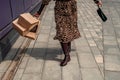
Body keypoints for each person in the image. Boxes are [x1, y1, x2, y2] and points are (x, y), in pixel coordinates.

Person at [34, 0, 102, 66]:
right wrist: (39, 12)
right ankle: (67, 55)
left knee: (70, 29)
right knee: (62, 32)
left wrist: (96, 1)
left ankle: (68, 47)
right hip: (60, 10)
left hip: (71, 9)